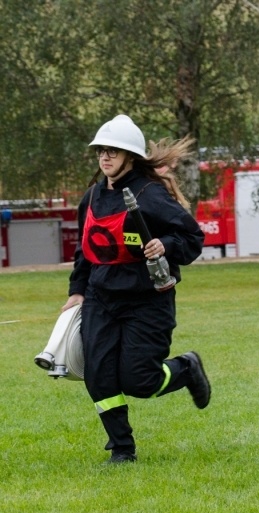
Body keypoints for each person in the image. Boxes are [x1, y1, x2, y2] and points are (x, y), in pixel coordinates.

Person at [63, 115, 209, 465]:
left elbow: (192, 239)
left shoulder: (151, 195)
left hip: (147, 301)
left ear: (129, 155)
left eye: (112, 151)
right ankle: (122, 449)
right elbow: (85, 250)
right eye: (101, 151)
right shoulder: (92, 198)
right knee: (98, 375)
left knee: (139, 380)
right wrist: (77, 291)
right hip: (101, 299)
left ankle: (187, 368)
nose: (105, 157)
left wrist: (165, 246)